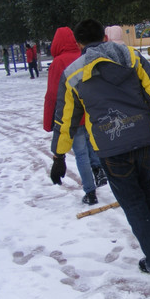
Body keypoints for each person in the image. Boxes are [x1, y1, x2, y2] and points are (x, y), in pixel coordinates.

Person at [50, 19, 150, 277]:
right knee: (148, 186)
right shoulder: (131, 56)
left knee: (132, 201)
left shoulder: (73, 73)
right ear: (104, 38)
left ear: (79, 43)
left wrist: (59, 155)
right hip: (144, 139)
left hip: (111, 147)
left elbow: (66, 120)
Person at [43, 27, 107, 205]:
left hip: (72, 115)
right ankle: (99, 171)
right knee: (92, 145)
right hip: (89, 111)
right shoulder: (84, 55)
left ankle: (90, 191)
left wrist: (49, 122)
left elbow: (53, 95)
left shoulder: (58, 63)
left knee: (80, 153)